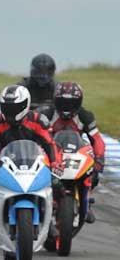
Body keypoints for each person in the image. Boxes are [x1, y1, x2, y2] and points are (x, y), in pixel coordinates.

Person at [0, 85, 63, 240]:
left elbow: (51, 145)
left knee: (58, 185)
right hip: (4, 163)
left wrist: (56, 164)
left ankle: (51, 220)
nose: (10, 111)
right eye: (7, 107)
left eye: (14, 107)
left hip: (36, 161)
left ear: (25, 105)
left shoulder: (39, 121)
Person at [44, 82, 106, 223]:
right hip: (52, 154)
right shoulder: (47, 114)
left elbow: (97, 140)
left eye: (71, 103)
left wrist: (99, 158)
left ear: (79, 103)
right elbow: (36, 136)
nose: (66, 107)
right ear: (55, 101)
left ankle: (86, 201)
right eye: (62, 103)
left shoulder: (85, 116)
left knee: (94, 173)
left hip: (76, 153)